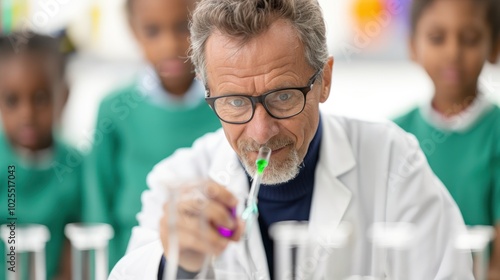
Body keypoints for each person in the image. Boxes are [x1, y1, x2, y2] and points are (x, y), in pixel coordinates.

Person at [110, 0, 474, 279]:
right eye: (235, 102)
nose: (261, 131)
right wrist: (179, 263)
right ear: (210, 94)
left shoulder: (394, 163)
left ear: (325, 80)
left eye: (283, 96)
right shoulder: (179, 180)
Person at [82, 0, 221, 270]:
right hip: (127, 265)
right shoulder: (114, 109)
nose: (169, 45)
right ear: (134, 31)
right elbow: (97, 207)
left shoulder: (228, 105)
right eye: (153, 31)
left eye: (183, 27)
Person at [393, 0, 500, 276]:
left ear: (495, 47)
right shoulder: (394, 135)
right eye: (437, 38)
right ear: (413, 46)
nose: (453, 52)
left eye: (470, 39)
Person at [0, 32, 80, 280]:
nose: (27, 114)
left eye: (41, 99)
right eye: (12, 100)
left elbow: (77, 242)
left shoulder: (76, 165)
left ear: (63, 96)